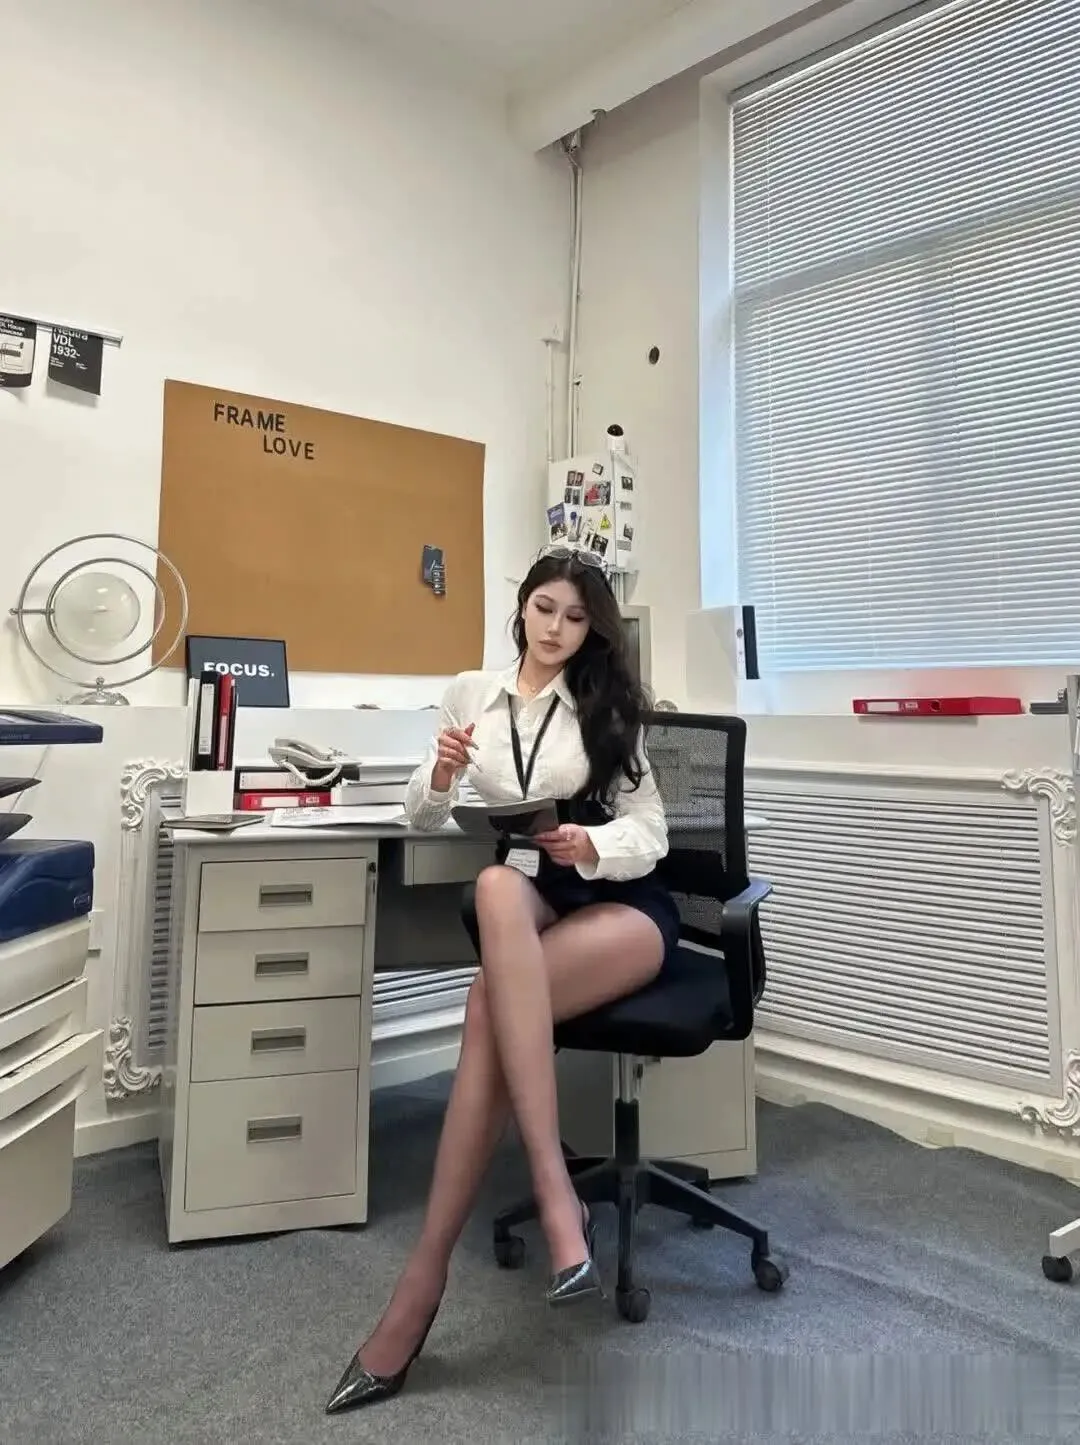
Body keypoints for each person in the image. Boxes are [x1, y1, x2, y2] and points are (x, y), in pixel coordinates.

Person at [325, 546, 681, 1415]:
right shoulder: (468, 693)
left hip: (617, 903)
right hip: (527, 896)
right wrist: (443, 773)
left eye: (576, 617)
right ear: (522, 607)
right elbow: (423, 813)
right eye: (544, 608)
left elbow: (652, 830)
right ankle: (557, 1197)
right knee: (492, 885)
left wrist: (592, 841)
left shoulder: (608, 707)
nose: (556, 628)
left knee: (489, 999)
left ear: (593, 629)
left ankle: (419, 1290)